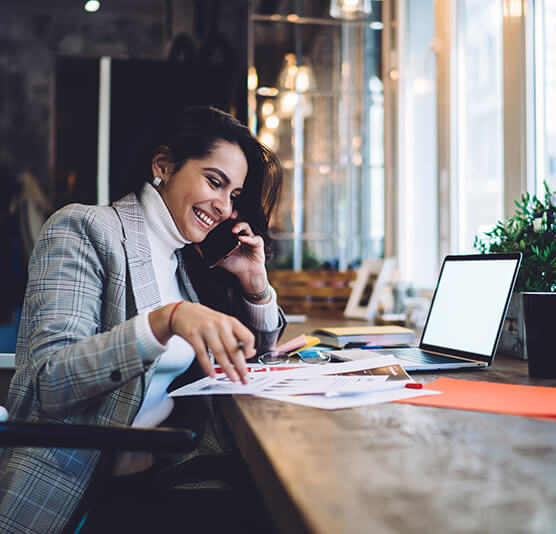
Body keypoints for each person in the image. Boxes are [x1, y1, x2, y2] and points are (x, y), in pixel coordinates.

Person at [0, 106, 286, 533]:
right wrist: (164, 321)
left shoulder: (183, 263)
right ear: (163, 166)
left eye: (234, 195)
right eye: (214, 182)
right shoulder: (83, 229)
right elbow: (49, 382)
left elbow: (252, 358)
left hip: (167, 471)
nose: (225, 207)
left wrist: (254, 284)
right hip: (85, 493)